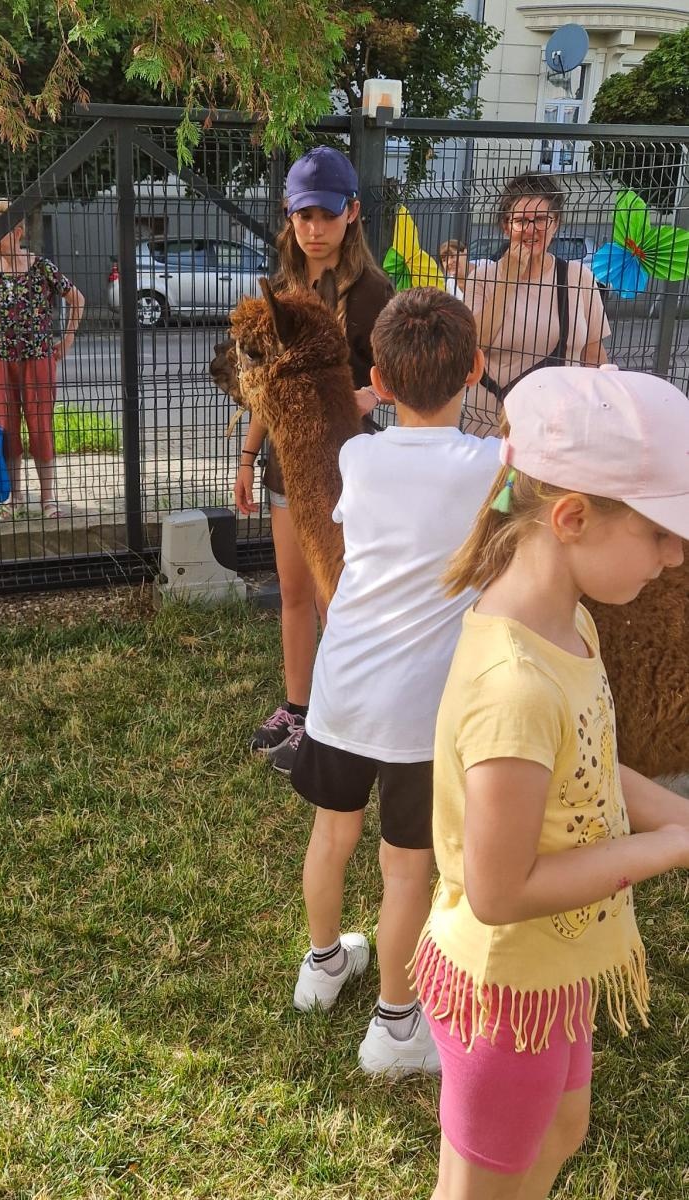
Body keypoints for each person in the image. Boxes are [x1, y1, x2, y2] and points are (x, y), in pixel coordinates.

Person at [415, 365, 689, 1199]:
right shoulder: (515, 688)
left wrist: (680, 817)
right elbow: (499, 891)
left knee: (562, 1130)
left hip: (553, 973)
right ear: (570, 517)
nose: (677, 557)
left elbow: (593, 767)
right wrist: (666, 849)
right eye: (660, 533)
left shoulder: (570, 626)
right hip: (504, 990)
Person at [289, 289, 499, 1077]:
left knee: (331, 835)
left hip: (342, 690)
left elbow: (356, 424)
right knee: (406, 867)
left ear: (377, 376)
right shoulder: (492, 467)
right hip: (423, 711)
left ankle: (322, 966)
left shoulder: (359, 458)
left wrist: (368, 395)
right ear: (476, 368)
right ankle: (395, 1025)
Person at [234, 146, 394, 772]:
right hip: (285, 466)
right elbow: (265, 383)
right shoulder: (282, 289)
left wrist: (363, 395)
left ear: (352, 212)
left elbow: (397, 376)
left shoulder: (375, 292)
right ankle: (297, 708)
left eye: (327, 214)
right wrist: (248, 455)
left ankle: (336, 716)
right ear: (289, 215)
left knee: (338, 599)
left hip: (347, 470)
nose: (316, 228)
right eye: (305, 215)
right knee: (295, 593)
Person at [463, 173, 609, 434]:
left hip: (558, 428)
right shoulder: (482, 279)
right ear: (506, 226)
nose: (531, 230)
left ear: (556, 223)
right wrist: (507, 281)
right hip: (492, 428)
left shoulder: (579, 278)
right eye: (521, 221)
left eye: (541, 219)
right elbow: (474, 345)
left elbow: (593, 356)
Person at [0, 200, 85, 519]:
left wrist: (68, 337)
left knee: (40, 429)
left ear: (17, 233)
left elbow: (78, 299)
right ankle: (14, 498)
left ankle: (47, 499)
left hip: (38, 359)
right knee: (6, 430)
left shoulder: (41, 267)